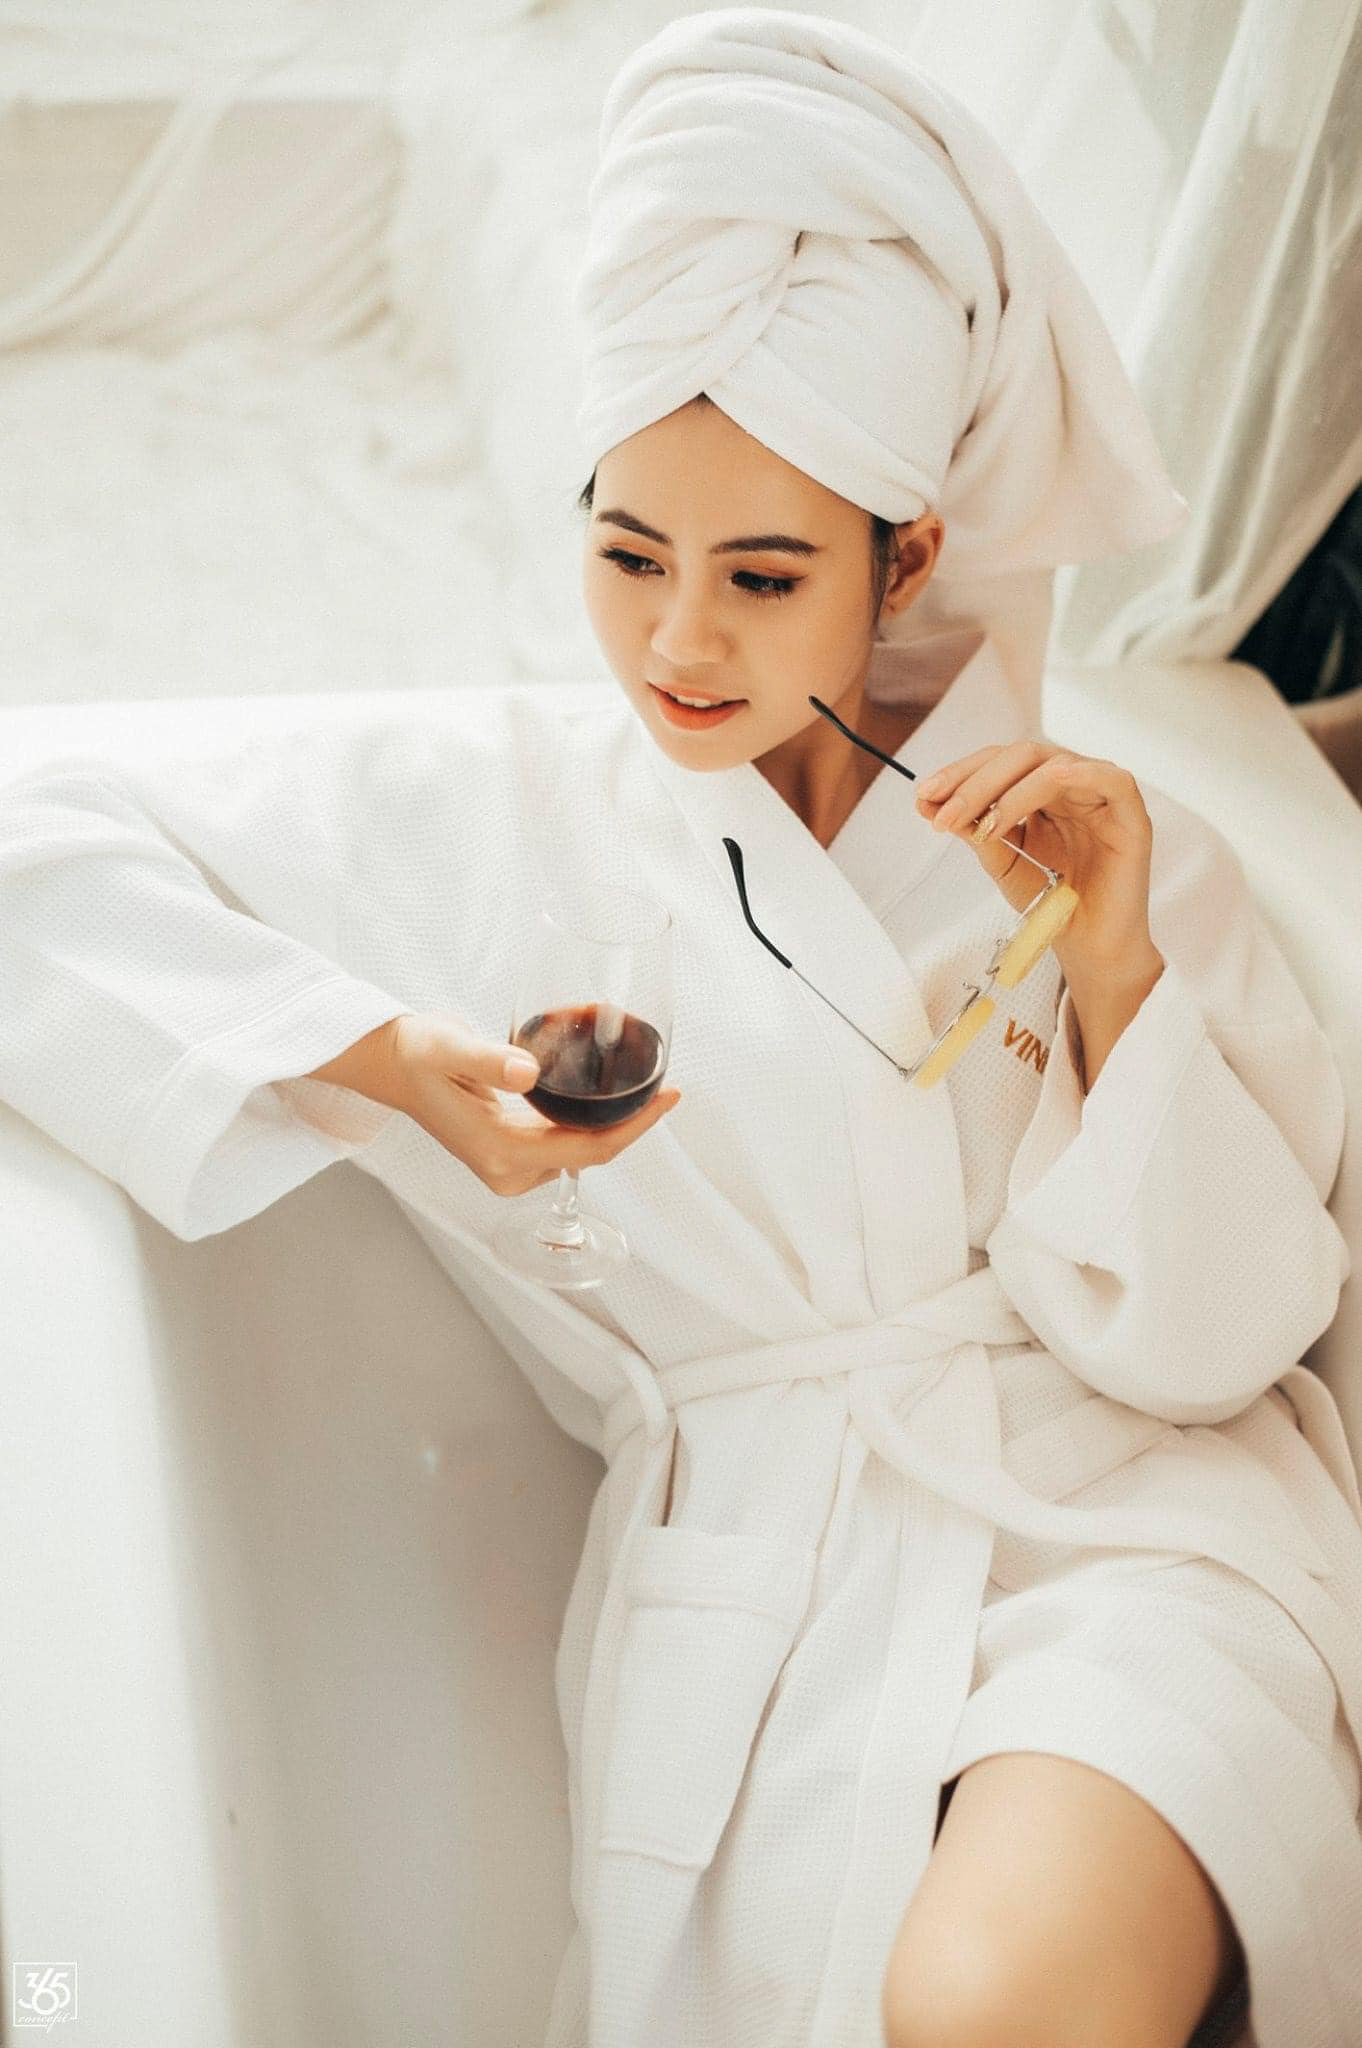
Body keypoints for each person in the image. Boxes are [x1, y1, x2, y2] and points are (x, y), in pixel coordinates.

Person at [2, 11, 1361, 2047]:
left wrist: (1111, 972)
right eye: (626, 552)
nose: (677, 641)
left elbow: (1219, 1347)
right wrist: (379, 1060)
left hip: (1132, 1530)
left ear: (904, 557)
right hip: (769, 1596)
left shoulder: (1091, 846)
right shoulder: (496, 807)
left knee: (995, 2002)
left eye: (762, 574)